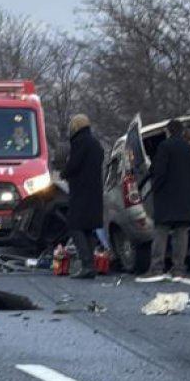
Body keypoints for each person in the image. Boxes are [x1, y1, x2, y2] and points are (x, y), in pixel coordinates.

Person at [138, 118, 190, 283]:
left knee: (161, 233)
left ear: (168, 131)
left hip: (166, 198)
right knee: (181, 234)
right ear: (182, 132)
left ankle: (157, 267)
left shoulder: (164, 147)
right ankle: (179, 268)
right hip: (185, 199)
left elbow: (159, 172)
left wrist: (154, 188)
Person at [61, 114, 104, 279]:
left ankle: (86, 264)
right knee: (88, 228)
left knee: (74, 225)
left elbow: (73, 165)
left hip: (80, 191)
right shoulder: (96, 144)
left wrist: (64, 173)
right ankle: (90, 264)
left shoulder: (79, 143)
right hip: (94, 191)